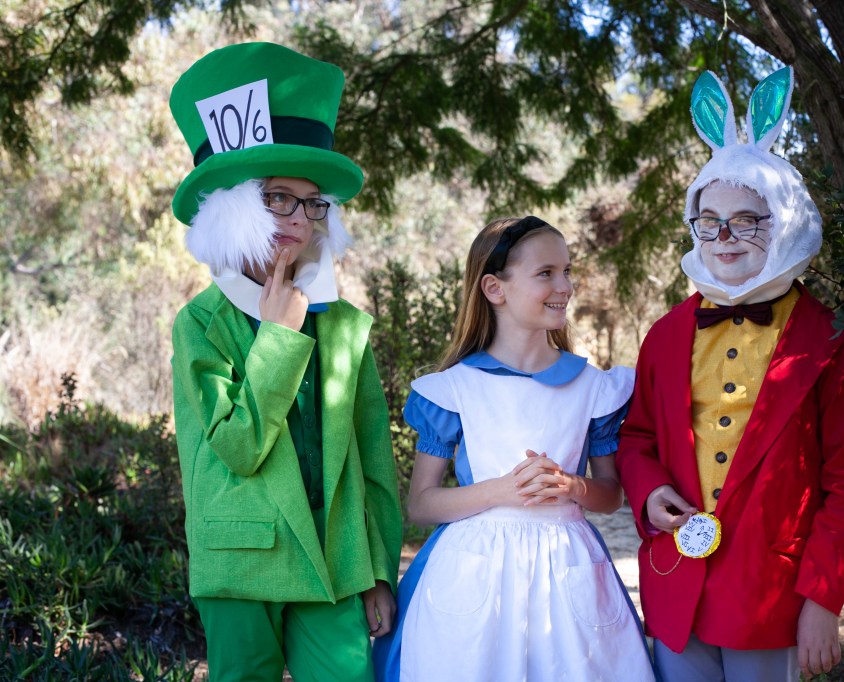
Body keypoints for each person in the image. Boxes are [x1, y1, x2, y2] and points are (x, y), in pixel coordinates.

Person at [615, 66, 844, 681]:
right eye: (709, 220)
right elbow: (637, 439)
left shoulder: (829, 340)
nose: (725, 236)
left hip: (772, 591)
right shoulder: (665, 334)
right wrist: (652, 491)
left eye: (748, 220)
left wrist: (822, 598)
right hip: (677, 585)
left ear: (784, 220)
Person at [168, 42, 402, 682]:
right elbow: (239, 446)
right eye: (278, 197)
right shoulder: (200, 325)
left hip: (337, 563)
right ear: (231, 203)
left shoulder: (346, 324)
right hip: (239, 563)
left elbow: (372, 456)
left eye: (313, 201)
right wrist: (276, 337)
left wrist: (380, 569)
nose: (301, 216)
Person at [372, 216, 656, 681]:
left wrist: (573, 485)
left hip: (569, 569)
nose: (564, 285)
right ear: (494, 288)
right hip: (471, 574)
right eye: (546, 273)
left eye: (567, 271)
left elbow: (612, 497)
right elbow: (422, 504)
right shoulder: (454, 389)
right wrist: (502, 491)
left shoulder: (593, 387)